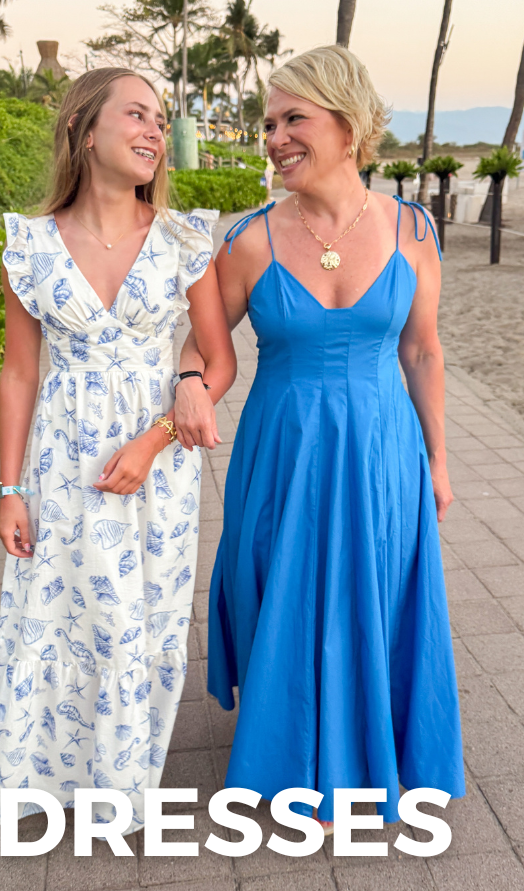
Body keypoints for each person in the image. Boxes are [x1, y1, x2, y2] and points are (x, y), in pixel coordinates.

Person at [177, 45, 466, 830]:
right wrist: (187, 383)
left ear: (347, 124)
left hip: (383, 452)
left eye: (292, 119)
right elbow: (203, 345)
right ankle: (287, 750)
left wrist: (438, 461)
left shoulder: (413, 229)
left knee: (379, 589)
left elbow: (422, 352)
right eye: (269, 123)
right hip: (284, 452)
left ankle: (373, 748)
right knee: (283, 587)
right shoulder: (249, 240)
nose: (274, 138)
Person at [0, 66, 236, 831]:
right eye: (137, 114)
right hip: (62, 463)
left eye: (160, 118)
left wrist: (157, 436)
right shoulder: (30, 246)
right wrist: (9, 491)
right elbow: (19, 374)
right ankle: (43, 775)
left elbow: (219, 360)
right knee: (54, 614)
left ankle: (120, 787)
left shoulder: (183, 239)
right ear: (84, 129)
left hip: (156, 467)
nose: (155, 129)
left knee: (139, 619)